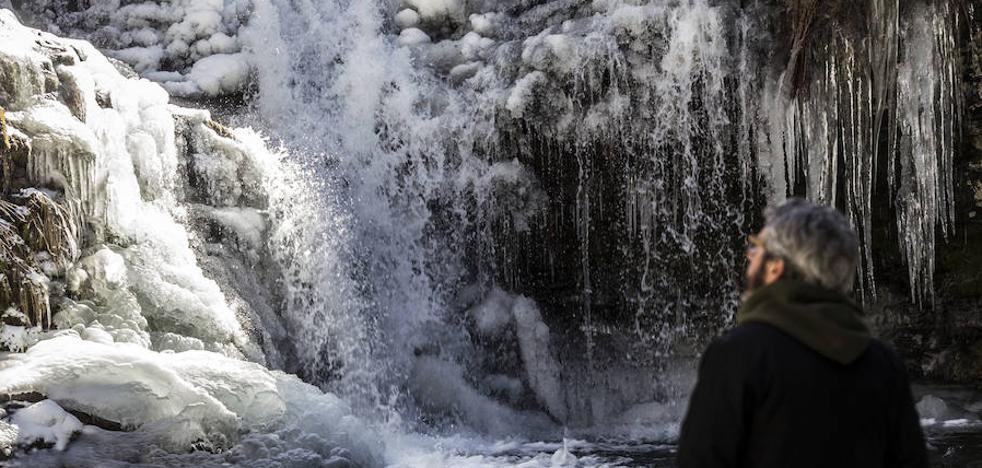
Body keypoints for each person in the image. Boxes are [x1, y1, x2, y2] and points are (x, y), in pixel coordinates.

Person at [676, 198, 928, 468]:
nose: (749, 255)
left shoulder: (739, 355)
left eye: (755, 247)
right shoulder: (883, 363)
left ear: (776, 266)